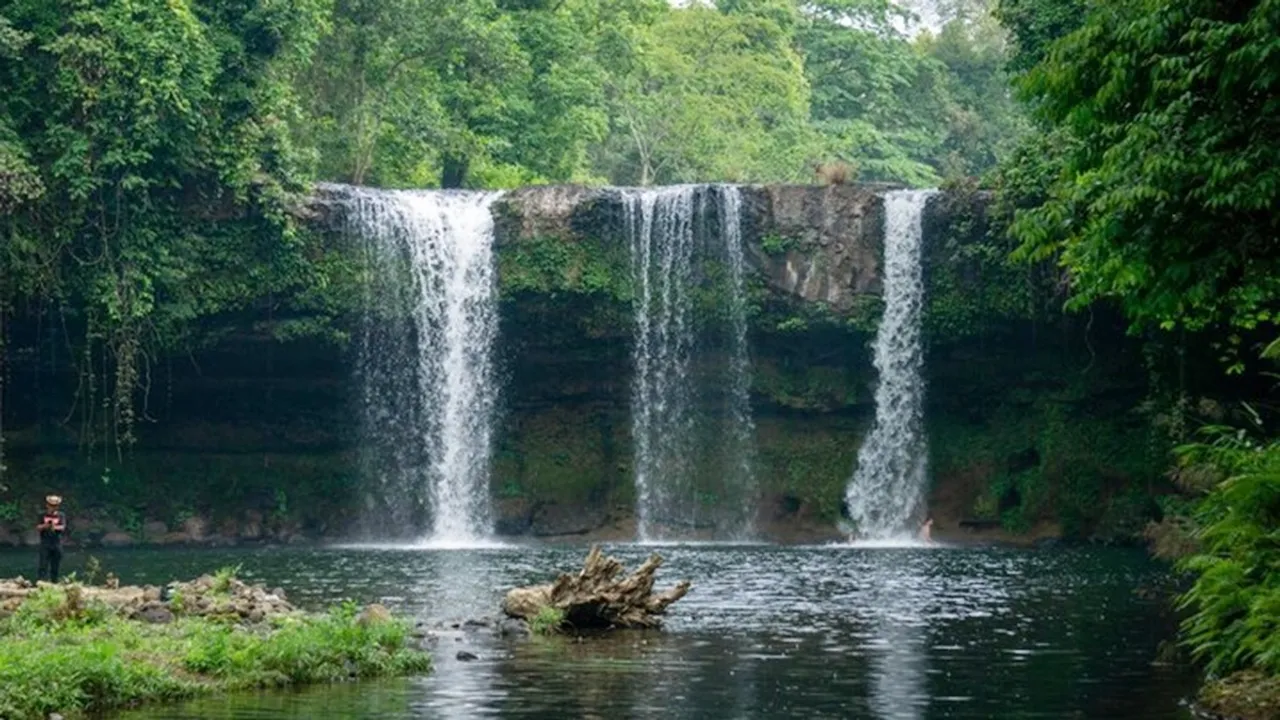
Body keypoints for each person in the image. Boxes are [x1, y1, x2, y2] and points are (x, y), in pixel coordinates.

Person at [37, 495, 66, 583]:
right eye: (51, 505)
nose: (53, 507)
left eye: (55, 505)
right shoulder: (42, 515)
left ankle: (54, 582)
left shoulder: (61, 515)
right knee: (43, 564)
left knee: (55, 566)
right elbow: (38, 527)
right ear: (47, 505)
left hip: (57, 543)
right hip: (45, 543)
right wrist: (45, 526)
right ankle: (41, 582)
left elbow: (63, 527)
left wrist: (54, 527)